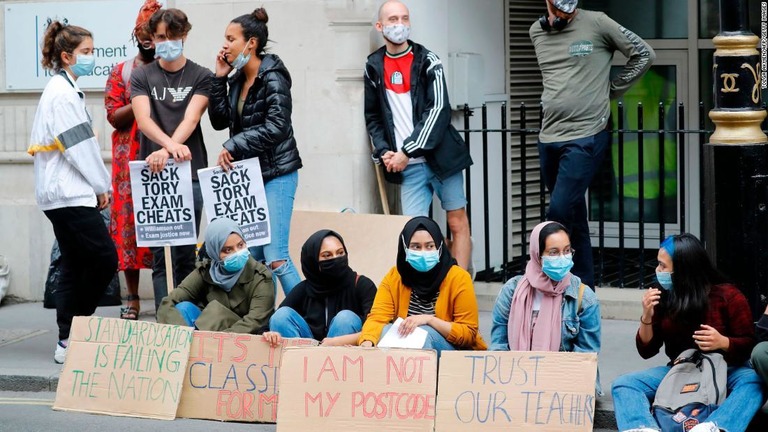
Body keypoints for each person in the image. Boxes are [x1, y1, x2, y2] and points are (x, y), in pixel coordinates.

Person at [531, 0, 655, 288]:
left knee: (558, 211)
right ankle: (584, 286)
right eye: (561, 9)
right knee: (574, 212)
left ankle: (547, 280)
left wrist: (611, 90)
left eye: (571, 9)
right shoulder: (536, 32)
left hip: (587, 135)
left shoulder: (598, 22)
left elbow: (644, 54)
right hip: (549, 136)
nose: (567, 14)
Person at [29, 21, 118, 363]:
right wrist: (101, 186)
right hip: (70, 193)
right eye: (86, 52)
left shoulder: (61, 89)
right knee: (103, 259)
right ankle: (75, 332)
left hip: (60, 194)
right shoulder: (64, 94)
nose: (91, 58)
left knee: (73, 263)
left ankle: (68, 337)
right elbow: (79, 148)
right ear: (67, 56)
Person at [612, 234, 765, 432]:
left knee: (754, 380)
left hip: (725, 371)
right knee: (624, 384)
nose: (658, 271)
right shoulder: (662, 294)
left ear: (683, 269)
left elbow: (749, 345)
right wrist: (647, 316)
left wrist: (724, 342)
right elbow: (647, 350)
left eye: (663, 266)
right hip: (680, 371)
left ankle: (716, 426)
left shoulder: (728, 296)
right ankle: (643, 428)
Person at [364, 0, 473, 271]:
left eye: (404, 18)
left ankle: (460, 286)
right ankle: (429, 288)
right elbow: (373, 117)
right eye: (392, 19)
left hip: (442, 161)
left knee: (457, 222)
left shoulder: (428, 60)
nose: (399, 24)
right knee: (414, 234)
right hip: (408, 169)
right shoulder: (373, 66)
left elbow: (438, 111)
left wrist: (406, 151)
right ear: (380, 26)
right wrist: (383, 151)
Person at [208, 7, 302, 295]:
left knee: (276, 257)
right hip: (251, 178)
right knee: (256, 260)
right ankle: (268, 325)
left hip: (278, 174)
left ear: (251, 43)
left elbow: (276, 126)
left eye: (231, 38)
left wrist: (233, 145)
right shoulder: (236, 79)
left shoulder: (273, 76)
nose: (225, 44)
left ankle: (310, 320)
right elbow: (220, 121)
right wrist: (219, 79)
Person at [131, 7, 213, 313]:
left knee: (183, 254)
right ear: (152, 38)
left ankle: (186, 316)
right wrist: (168, 147)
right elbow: (143, 119)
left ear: (185, 36)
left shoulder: (201, 75)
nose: (168, 42)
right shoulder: (142, 75)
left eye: (173, 36)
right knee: (158, 257)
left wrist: (164, 151)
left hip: (189, 173)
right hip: (151, 175)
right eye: (162, 37)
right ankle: (165, 319)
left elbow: (192, 118)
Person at [490, 221, 601, 390]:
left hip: (565, 386)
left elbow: (585, 357)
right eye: (554, 253)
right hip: (515, 382)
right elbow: (499, 346)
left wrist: (545, 383)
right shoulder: (512, 291)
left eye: (567, 251)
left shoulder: (584, 298)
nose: (563, 258)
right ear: (537, 255)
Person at [105, 0, 161, 320]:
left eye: (153, 32)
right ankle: (132, 296)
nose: (147, 39)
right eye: (142, 32)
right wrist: (141, 96)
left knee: (161, 224)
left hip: (161, 158)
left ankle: (166, 293)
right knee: (128, 230)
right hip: (128, 166)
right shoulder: (122, 72)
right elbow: (114, 116)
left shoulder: (170, 70)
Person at [358, 216, 486, 354]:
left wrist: (429, 320)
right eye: (416, 247)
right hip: (405, 349)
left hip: (451, 352)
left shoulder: (459, 278)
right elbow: (377, 318)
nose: (423, 252)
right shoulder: (394, 277)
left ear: (440, 247)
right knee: (384, 331)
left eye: (430, 246)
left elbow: (468, 333)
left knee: (423, 333)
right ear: (405, 248)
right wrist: (367, 342)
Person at [157, 218, 274, 333]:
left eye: (240, 245)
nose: (237, 253)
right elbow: (169, 301)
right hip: (206, 329)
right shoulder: (207, 271)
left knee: (216, 313)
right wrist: (185, 335)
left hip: (242, 338)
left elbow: (254, 322)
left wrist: (211, 341)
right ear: (214, 252)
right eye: (228, 250)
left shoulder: (260, 276)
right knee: (183, 308)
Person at [262, 230, 377, 346]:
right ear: (313, 261)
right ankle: (297, 362)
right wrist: (270, 334)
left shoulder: (362, 285)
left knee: (346, 318)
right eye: (327, 255)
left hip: (344, 359)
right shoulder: (304, 289)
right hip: (305, 355)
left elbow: (377, 327)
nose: (336, 258)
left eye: (340, 253)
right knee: (280, 316)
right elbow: (269, 325)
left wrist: (335, 342)